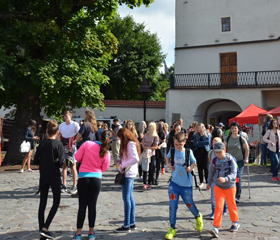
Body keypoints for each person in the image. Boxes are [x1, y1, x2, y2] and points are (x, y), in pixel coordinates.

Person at [72, 130, 111, 239]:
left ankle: (78, 233)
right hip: (96, 178)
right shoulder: (106, 151)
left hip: (83, 177)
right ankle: (91, 232)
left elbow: (77, 157)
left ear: (99, 136)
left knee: (82, 206)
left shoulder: (87, 144)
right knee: (92, 206)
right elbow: (105, 167)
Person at [165, 133, 203, 240]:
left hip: (186, 184)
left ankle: (197, 216)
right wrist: (168, 165)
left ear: (184, 143)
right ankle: (172, 228)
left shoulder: (188, 152)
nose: (178, 146)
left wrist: (190, 168)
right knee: (173, 206)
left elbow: (194, 162)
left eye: (180, 144)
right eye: (176, 144)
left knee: (189, 204)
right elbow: (167, 158)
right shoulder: (172, 151)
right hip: (174, 183)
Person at [34, 120, 64, 239]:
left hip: (44, 176)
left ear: (47, 131)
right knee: (56, 201)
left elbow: (35, 160)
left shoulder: (42, 144)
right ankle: (46, 227)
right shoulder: (58, 145)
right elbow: (61, 162)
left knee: (42, 203)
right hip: (55, 176)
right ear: (57, 132)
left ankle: (42, 228)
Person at [207, 142, 240, 238]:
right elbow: (211, 172)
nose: (217, 154)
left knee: (231, 205)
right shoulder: (214, 161)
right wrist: (209, 183)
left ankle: (235, 222)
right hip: (218, 186)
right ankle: (216, 226)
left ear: (224, 150)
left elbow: (234, 174)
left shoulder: (231, 160)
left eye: (219, 152)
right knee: (219, 206)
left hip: (230, 186)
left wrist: (225, 179)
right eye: (216, 152)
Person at [115, 128, 140, 232]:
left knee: (126, 198)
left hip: (128, 173)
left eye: (120, 137)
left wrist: (123, 165)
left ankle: (126, 225)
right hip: (130, 172)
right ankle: (132, 222)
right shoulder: (131, 143)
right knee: (129, 197)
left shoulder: (130, 144)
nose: (119, 139)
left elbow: (135, 158)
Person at [224, 122, 249, 203]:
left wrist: (246, 158)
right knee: (229, 178)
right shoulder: (227, 138)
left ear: (238, 129)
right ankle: (229, 194)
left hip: (239, 161)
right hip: (229, 161)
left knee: (238, 178)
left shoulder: (241, 138)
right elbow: (224, 149)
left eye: (235, 128)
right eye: (232, 128)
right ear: (230, 129)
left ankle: (237, 196)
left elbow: (246, 149)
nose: (234, 129)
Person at [59, 110, 80, 195]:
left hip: (72, 146)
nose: (65, 118)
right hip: (64, 146)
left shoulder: (75, 124)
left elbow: (79, 134)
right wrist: (60, 144)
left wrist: (74, 140)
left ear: (70, 116)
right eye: (64, 116)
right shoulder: (62, 125)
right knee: (64, 165)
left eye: (66, 116)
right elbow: (58, 134)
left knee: (73, 165)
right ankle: (64, 185)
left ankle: (74, 185)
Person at [208, 137, 227, 219]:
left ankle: (225, 208)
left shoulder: (228, 157)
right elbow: (211, 168)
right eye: (213, 144)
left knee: (224, 195)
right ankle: (214, 211)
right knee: (213, 196)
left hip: (224, 179)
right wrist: (209, 181)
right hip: (215, 178)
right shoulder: (211, 153)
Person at [141, 122, 159, 190]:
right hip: (146, 153)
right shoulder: (146, 135)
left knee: (151, 169)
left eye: (149, 126)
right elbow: (142, 142)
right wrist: (144, 147)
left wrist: (149, 148)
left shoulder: (155, 136)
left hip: (152, 154)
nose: (148, 128)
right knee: (145, 168)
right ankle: (144, 183)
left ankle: (149, 183)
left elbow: (156, 146)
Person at [193, 123, 211, 187]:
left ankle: (207, 181)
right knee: (199, 167)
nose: (198, 128)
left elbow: (208, 142)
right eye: (197, 127)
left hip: (205, 151)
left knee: (206, 167)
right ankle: (201, 182)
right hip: (198, 151)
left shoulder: (207, 134)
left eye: (199, 127)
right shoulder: (195, 135)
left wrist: (199, 142)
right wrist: (201, 143)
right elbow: (195, 143)